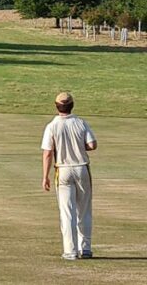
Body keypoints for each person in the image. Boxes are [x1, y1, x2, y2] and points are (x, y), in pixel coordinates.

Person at [41, 92, 97, 260]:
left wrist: (45, 176)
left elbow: (47, 153)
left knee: (67, 212)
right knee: (84, 210)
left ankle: (70, 251)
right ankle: (85, 248)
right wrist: (79, 147)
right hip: (81, 168)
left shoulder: (52, 126)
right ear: (72, 105)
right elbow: (92, 145)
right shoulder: (80, 122)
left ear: (56, 106)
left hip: (63, 169)